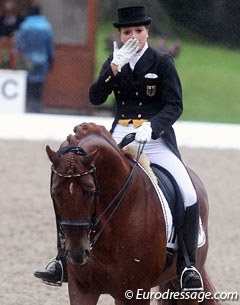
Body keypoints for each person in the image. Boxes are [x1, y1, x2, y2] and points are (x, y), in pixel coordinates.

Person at [34, 6, 203, 292]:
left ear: (147, 31)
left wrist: (153, 127)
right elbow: (96, 96)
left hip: (154, 136)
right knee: (72, 186)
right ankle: (63, 258)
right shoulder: (116, 60)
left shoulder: (161, 62)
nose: (133, 35)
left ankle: (187, 265)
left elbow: (175, 105)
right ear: (120, 35)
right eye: (127, 32)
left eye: (138, 30)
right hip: (117, 137)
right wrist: (113, 68)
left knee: (187, 191)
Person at [15, 4, 54, 113]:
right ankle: (37, 107)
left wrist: (17, 55)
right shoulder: (46, 26)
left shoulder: (24, 26)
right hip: (42, 59)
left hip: (28, 60)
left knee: (28, 84)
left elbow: (20, 44)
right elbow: (49, 45)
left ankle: (28, 106)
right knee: (39, 84)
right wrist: (51, 59)